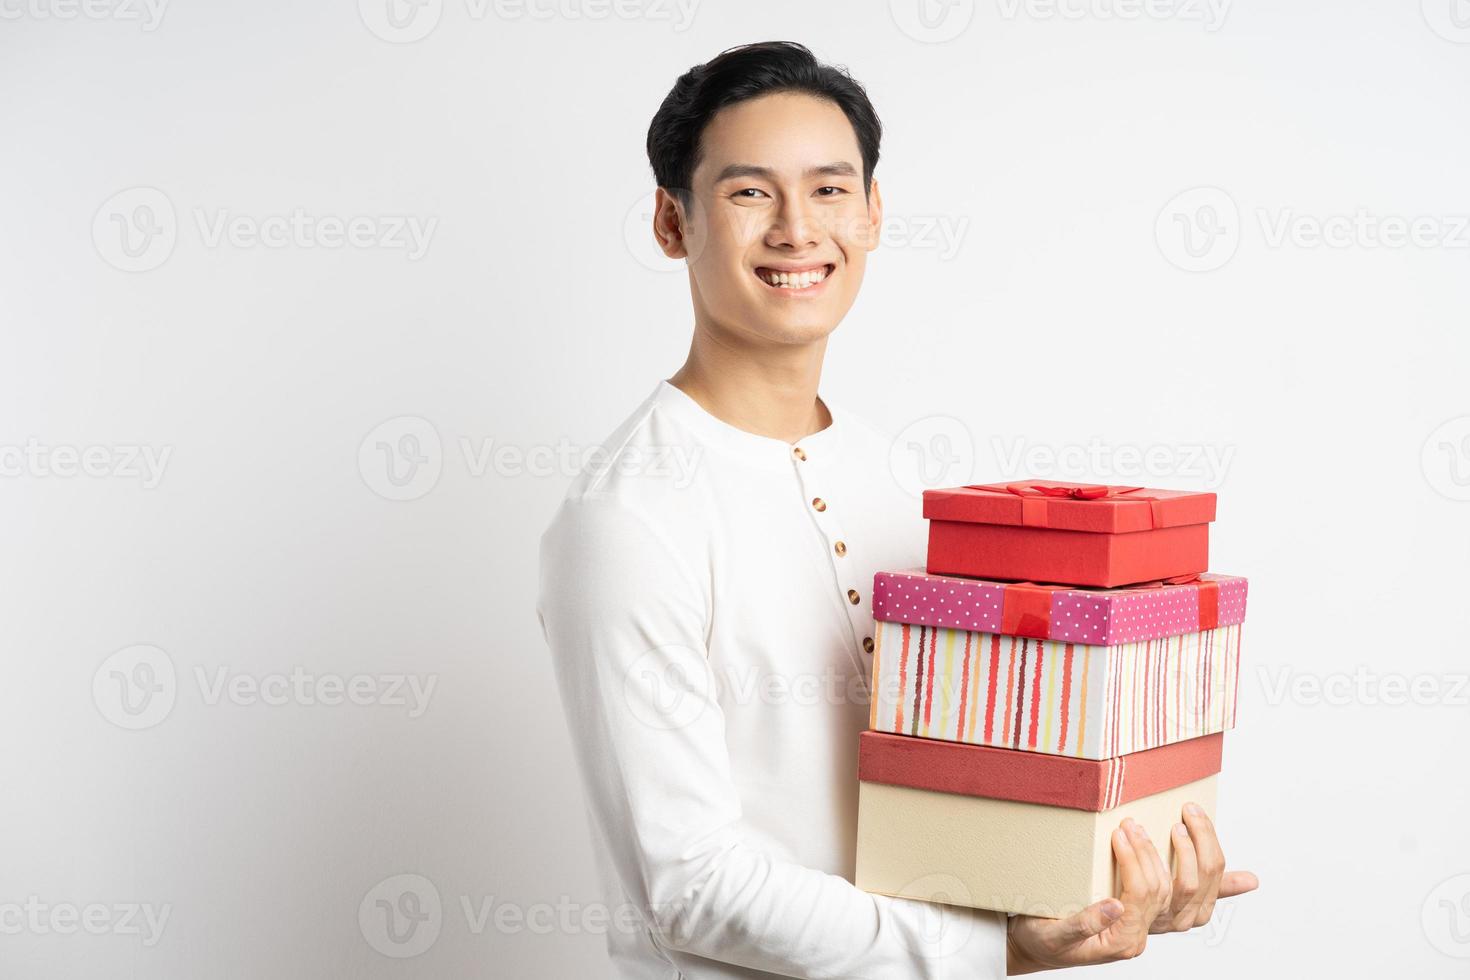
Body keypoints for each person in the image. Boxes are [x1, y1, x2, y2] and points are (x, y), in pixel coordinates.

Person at [536, 40, 1257, 979]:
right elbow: (693, 889)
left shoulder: (899, 484)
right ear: (674, 223)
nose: (799, 229)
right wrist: (999, 948)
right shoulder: (626, 520)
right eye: (750, 192)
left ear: (873, 213)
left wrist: (1116, 874)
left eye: (831, 190)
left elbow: (973, 784)